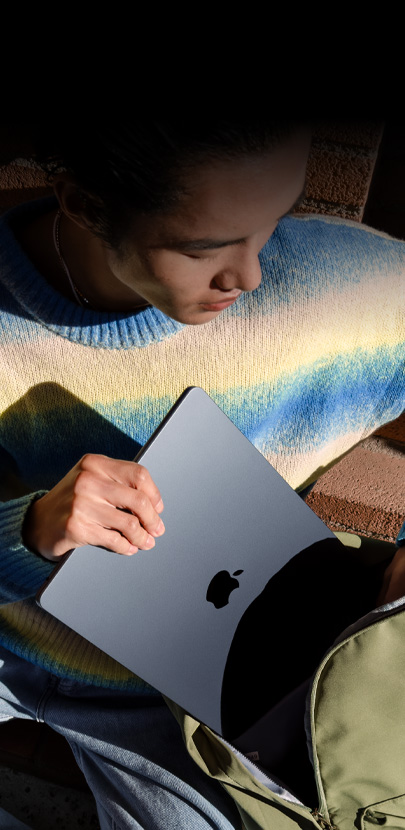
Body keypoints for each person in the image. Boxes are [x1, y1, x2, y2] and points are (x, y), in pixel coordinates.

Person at [0, 122, 403, 829]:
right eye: (202, 248)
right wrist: (27, 530)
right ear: (85, 206)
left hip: (168, 694)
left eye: (272, 223)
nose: (246, 276)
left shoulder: (340, 288)